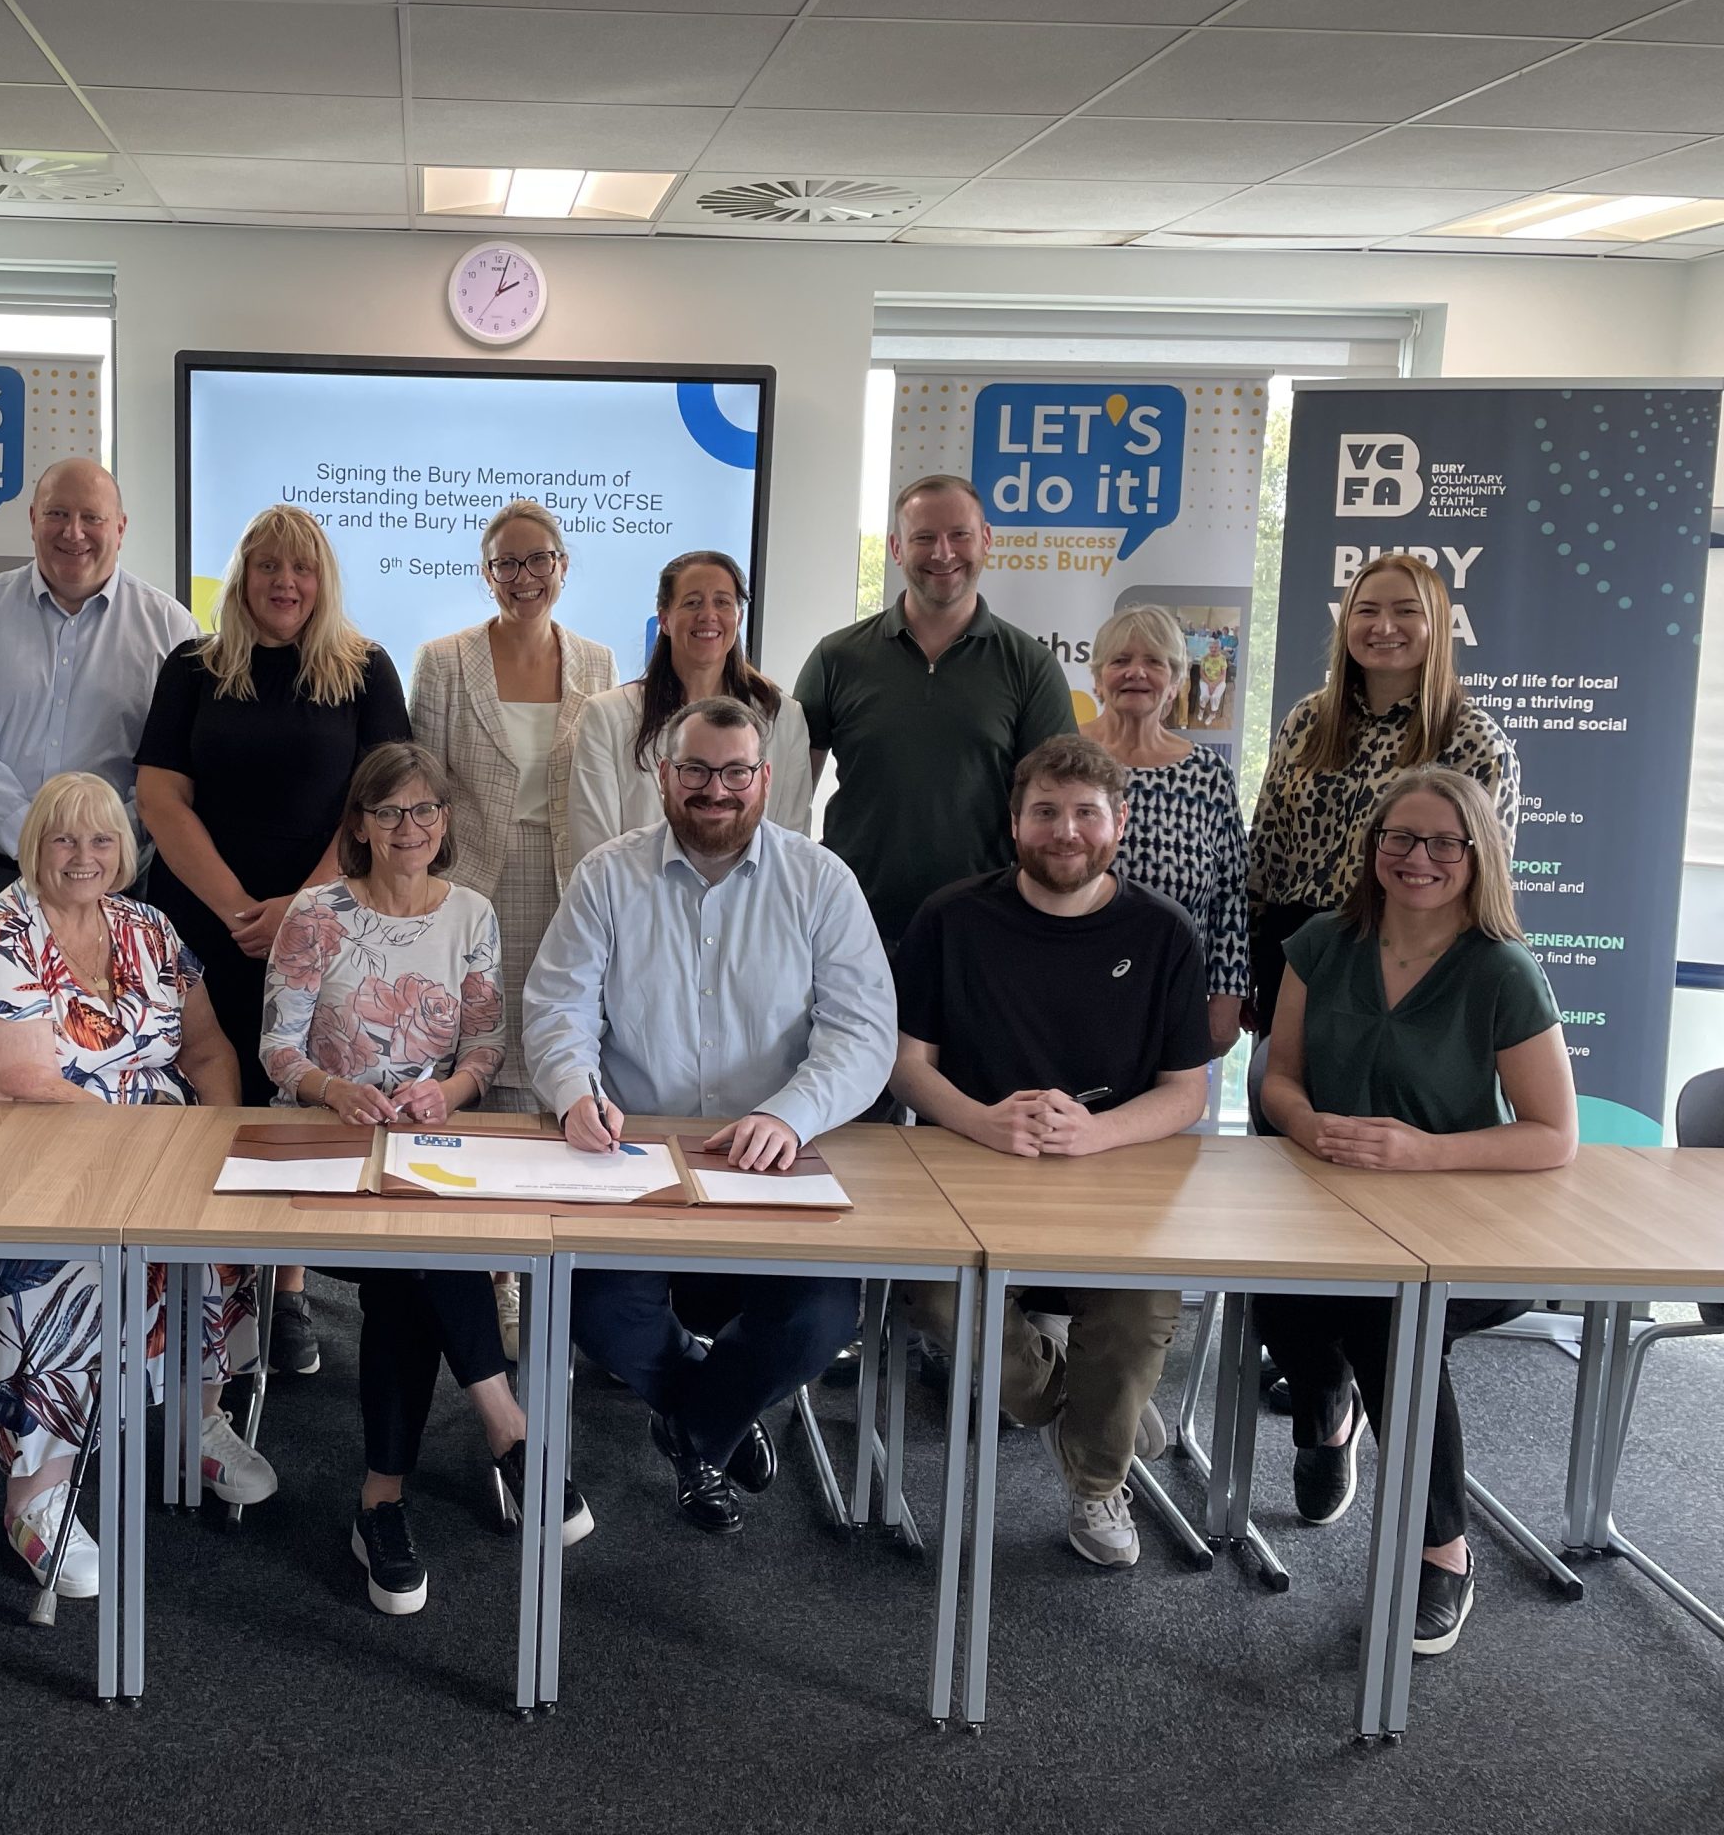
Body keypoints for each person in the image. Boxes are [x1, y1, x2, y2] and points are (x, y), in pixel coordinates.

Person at [0, 770, 274, 1599]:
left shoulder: (150, 928)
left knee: (219, 1226)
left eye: (101, 839)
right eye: (63, 838)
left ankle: (197, 1424)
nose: (83, 855)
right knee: (61, 1263)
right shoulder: (1, 934)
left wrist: (218, 1140)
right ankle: (38, 1494)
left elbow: (206, 1049)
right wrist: (149, 1152)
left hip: (145, 1139)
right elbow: (10, 1086)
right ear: (34, 847)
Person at [525, 697, 895, 1533]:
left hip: (777, 1160)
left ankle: (698, 1429)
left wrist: (792, 1114)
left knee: (822, 1317)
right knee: (594, 1310)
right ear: (664, 777)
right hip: (633, 1159)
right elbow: (557, 1008)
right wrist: (573, 1089)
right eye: (695, 770)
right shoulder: (607, 877)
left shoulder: (820, 881)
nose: (714, 789)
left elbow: (864, 1032)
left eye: (735, 772)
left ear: (766, 780)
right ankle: (716, 1416)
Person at [1255, 765, 1576, 1657]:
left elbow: (1554, 1134)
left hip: (1467, 1225)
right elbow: (1278, 1078)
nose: (1418, 857)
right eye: (1399, 837)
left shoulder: (1502, 970)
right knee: (1275, 1289)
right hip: (1329, 1205)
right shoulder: (1324, 942)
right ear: (1373, 848)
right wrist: (1305, 1121)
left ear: (1478, 857)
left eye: (1444, 842)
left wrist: (1425, 1151)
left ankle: (1445, 1554)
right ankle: (1326, 1409)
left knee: (1391, 1317)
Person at [261, 742, 588, 1613]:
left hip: (430, 1144)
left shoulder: (472, 912)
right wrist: (336, 1090)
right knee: (420, 1260)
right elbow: (277, 1046)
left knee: (412, 1268)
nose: (410, 828)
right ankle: (508, 1430)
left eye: (426, 811)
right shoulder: (316, 913)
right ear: (360, 826)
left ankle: (383, 1505)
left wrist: (447, 1091)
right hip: (325, 1145)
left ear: (445, 822)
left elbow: (485, 1045)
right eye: (390, 812)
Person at [889, 734, 1211, 1567]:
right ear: (1014, 823)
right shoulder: (951, 916)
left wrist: (1097, 1132)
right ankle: (1079, 1401)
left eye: (1085, 814)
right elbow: (906, 1062)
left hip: (1111, 1175)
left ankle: (1100, 1482)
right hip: (972, 1166)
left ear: (1120, 823)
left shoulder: (1164, 931)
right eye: (1045, 813)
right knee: (940, 1302)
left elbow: (1187, 1090)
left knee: (1139, 1312)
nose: (1065, 831)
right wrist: (980, 1120)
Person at [136, 503, 410, 1109]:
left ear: (323, 582)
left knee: (317, 1093)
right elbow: (160, 800)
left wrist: (301, 910)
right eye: (268, 565)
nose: (285, 581)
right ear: (242, 577)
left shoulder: (367, 670)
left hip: (328, 921)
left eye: (302, 568)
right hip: (203, 922)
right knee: (202, 1087)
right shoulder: (190, 668)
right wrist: (239, 911)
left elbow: (383, 805)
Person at [795, 475, 1075, 953]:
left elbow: (1055, 810)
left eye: (959, 535)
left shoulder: (1031, 667)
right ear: (897, 548)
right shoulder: (836, 657)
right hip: (849, 927)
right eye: (924, 537)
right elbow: (786, 796)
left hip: (984, 931)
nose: (943, 553)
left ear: (985, 539)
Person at [1246, 552, 1519, 1037]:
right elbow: (1266, 849)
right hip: (1292, 954)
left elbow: (1483, 881)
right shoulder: (1307, 722)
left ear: (1438, 625)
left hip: (1407, 955)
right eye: (1366, 610)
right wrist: (1244, 962)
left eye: (1406, 611)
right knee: (1281, 1101)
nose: (1383, 625)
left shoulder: (1474, 740)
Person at [0, 458, 197, 934]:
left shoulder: (171, 629)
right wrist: (35, 837)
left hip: (120, 887)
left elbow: (176, 765)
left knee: (111, 1011)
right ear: (32, 519)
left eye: (92, 517)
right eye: (56, 514)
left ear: (120, 527)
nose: (74, 532)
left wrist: (98, 847)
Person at [409, 499, 616, 1110]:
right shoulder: (442, 661)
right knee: (453, 1036)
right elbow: (422, 784)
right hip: (464, 879)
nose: (524, 578)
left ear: (563, 565)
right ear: (486, 574)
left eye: (538, 560)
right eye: (506, 565)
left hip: (560, 880)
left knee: (541, 1044)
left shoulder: (599, 662)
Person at [561, 550, 812, 884]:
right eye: (692, 603)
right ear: (664, 619)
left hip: (749, 921)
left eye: (722, 602)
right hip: (639, 917)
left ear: (738, 617)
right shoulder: (607, 717)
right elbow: (594, 855)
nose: (708, 615)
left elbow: (789, 844)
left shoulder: (782, 717)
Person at [1079, 605, 1249, 1058]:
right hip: (1069, 984)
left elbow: (1232, 895)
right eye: (1120, 661)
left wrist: (1227, 997)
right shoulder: (1062, 759)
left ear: (1176, 682)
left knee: (1166, 1122)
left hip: (1176, 993)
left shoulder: (1209, 774)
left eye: (1155, 662)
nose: (1137, 672)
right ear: (1097, 679)